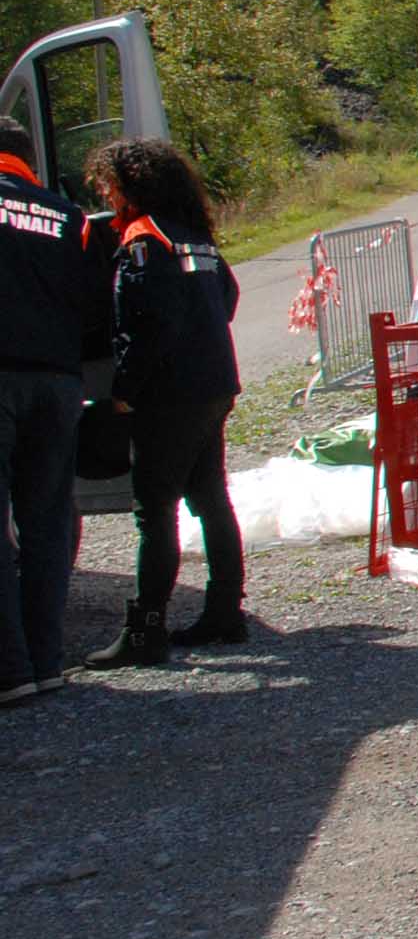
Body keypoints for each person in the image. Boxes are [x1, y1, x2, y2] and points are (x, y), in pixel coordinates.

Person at [79, 137, 248, 669]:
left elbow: (143, 326)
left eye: (108, 185)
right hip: (214, 384)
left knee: (154, 512)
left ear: (130, 187)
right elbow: (228, 297)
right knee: (211, 499)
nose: (106, 194)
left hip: (170, 396)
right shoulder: (194, 236)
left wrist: (125, 393)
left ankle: (145, 629)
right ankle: (224, 611)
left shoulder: (141, 240)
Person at [0, 116, 100, 703]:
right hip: (58, 383)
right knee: (47, 522)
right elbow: (92, 304)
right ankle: (47, 661)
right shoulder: (67, 215)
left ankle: (9, 671)